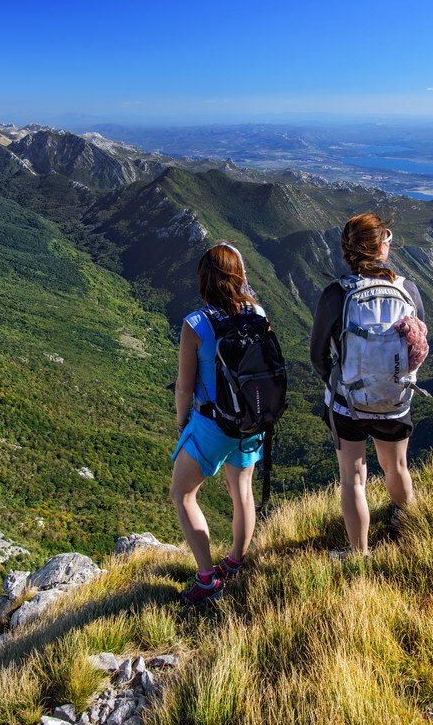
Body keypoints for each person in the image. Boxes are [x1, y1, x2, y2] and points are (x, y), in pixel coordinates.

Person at [309, 213, 426, 556]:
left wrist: (337, 382)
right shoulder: (408, 290)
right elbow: (417, 346)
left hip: (348, 403)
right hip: (395, 399)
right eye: (387, 237)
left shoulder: (335, 294)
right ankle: (414, 533)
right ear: (379, 247)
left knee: (354, 479)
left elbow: (317, 355)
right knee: (397, 468)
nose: (389, 242)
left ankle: (359, 554)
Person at [170, 242, 265, 604]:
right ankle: (236, 562)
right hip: (251, 418)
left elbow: (183, 386)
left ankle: (208, 581)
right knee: (241, 492)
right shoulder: (258, 312)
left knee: (182, 494)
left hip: (212, 424)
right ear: (239, 275)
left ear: (204, 280)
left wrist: (182, 425)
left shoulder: (195, 325)